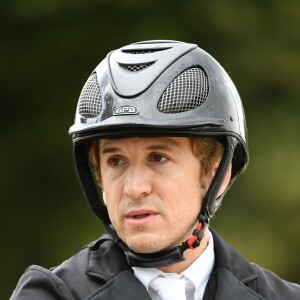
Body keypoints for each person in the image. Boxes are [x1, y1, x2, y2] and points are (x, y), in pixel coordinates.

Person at [11, 40, 299, 300]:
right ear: (97, 175)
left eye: (158, 158)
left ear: (217, 175)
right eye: (116, 161)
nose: (134, 188)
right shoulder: (48, 294)